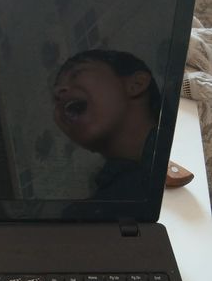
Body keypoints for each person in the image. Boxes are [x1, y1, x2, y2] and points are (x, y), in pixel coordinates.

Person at [52, 49, 161, 201]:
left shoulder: (181, 149)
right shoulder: (100, 202)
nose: (57, 92)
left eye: (76, 74)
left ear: (136, 84)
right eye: (55, 98)